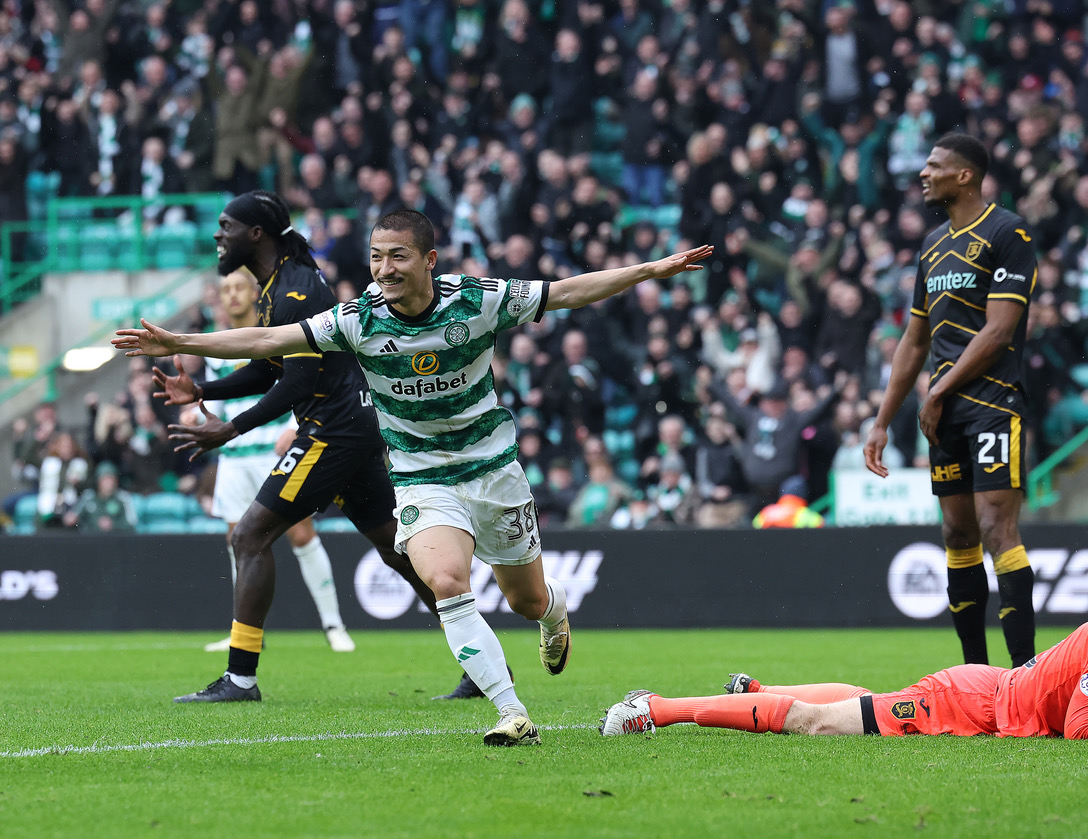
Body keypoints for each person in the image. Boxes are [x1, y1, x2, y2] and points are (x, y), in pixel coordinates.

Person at [115, 208, 714, 746]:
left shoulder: (476, 300)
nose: (384, 269)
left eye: (397, 256)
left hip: (493, 470)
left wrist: (647, 270)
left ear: (429, 260)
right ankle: (511, 712)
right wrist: (179, 341)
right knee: (447, 581)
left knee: (525, 599)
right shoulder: (358, 318)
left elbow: (565, 292)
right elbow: (271, 339)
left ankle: (554, 614)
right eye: (376, 257)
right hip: (421, 474)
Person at [138, 191, 440, 707]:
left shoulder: (294, 290)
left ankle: (240, 678)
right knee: (397, 551)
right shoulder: (282, 283)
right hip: (352, 425)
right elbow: (268, 366)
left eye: (227, 226)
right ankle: (482, 659)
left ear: (256, 233)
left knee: (250, 534)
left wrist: (231, 429)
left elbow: (298, 381)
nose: (218, 235)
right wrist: (203, 390)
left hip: (332, 431)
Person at [863, 134, 1039, 668]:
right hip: (944, 415)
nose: (924, 173)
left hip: (993, 401)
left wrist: (937, 390)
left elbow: (1000, 330)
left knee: (995, 527)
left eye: (935, 165)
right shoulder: (933, 246)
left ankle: (1025, 673)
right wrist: (881, 422)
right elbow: (914, 341)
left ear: (964, 176)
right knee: (957, 533)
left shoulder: (1008, 232)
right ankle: (974, 674)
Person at [600, 612, 1088, 742]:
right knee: (818, 724)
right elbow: (1081, 727)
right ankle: (654, 707)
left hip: (988, 686)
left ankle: (754, 693)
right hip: (970, 704)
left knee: (865, 701)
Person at [199, 268, 355, 654]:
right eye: (226, 289)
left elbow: (298, 381)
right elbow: (226, 398)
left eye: (239, 287)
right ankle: (245, 631)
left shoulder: (276, 331)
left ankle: (333, 624)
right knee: (238, 541)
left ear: (254, 293)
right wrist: (198, 415)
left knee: (301, 534)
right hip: (234, 460)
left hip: (275, 452)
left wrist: (293, 426)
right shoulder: (216, 345)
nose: (232, 295)